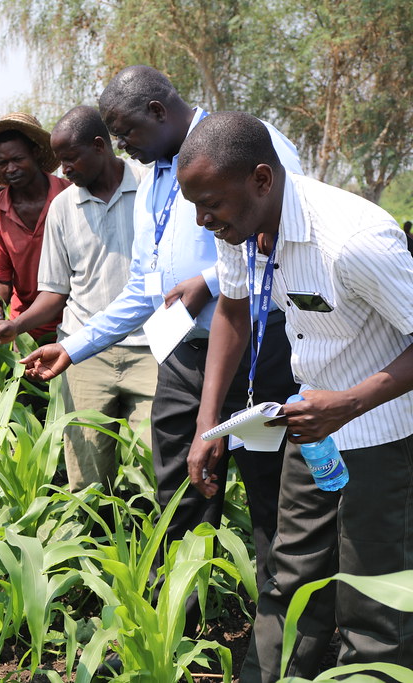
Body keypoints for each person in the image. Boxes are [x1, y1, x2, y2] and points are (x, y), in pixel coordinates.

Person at [20, 66, 303, 601]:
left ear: (158, 111)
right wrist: (74, 346)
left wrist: (211, 280)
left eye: (126, 133)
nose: (122, 145)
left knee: (270, 489)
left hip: (258, 345)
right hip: (182, 355)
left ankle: (281, 617)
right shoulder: (152, 178)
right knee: (179, 489)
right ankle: (184, 619)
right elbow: (144, 289)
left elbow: (289, 230)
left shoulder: (247, 140)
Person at [178, 111, 413, 682]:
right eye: (195, 207)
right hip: (313, 434)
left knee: (372, 595)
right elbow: (232, 311)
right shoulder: (243, 228)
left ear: (262, 179)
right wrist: (207, 427)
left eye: (211, 204)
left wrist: (349, 403)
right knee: (290, 575)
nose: (204, 221)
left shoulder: (354, 241)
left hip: (382, 434)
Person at [0, 106, 156, 492]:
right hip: (82, 349)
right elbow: (55, 292)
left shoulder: (150, 186)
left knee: (158, 465)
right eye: (60, 161)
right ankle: (91, 548)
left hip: (151, 349)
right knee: (87, 473)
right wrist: (16, 323)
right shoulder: (62, 207)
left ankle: (157, 549)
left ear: (100, 146)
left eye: (70, 159)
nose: (64, 170)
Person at [0, 112, 69, 341]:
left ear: (35, 152)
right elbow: (1, 277)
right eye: (3, 163)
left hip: (75, 321)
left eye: (17, 159)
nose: (10, 169)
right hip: (24, 328)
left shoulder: (69, 195)